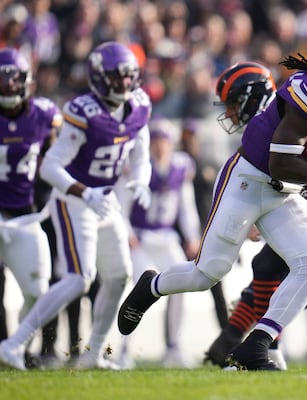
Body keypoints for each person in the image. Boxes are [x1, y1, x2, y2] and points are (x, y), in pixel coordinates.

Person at [117, 18, 307, 371]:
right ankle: (151, 286)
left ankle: (256, 345)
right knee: (207, 273)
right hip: (248, 181)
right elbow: (281, 162)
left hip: (284, 190)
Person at [0, 41, 152, 370]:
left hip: (105, 199)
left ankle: (93, 353)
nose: (125, 84)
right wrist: (85, 193)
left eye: (129, 76)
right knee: (79, 278)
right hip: (74, 200)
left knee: (119, 275)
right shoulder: (84, 111)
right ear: (99, 78)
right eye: (117, 77)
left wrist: (141, 177)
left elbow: (141, 144)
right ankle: (13, 344)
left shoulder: (139, 104)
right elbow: (50, 167)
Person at [118, 119, 201, 369]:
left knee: (182, 285)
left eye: (163, 140)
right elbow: (121, 206)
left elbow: (185, 207)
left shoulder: (181, 165)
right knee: (136, 290)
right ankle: (123, 350)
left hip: (166, 238)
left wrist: (192, 236)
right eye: (155, 141)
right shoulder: (137, 167)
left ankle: (173, 347)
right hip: (140, 239)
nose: (160, 146)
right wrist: (127, 233)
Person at [0, 47, 61, 367]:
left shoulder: (44, 114)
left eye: (15, 79)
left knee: (38, 288)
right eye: (2, 80)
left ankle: (21, 346)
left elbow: (59, 151)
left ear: (28, 81)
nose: (9, 86)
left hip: (26, 211)